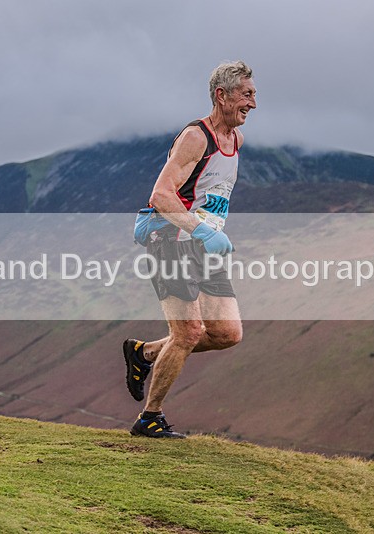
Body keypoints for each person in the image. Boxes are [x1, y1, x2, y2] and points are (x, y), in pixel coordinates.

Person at [124, 60, 257, 438]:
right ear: (222, 95)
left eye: (254, 95)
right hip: (170, 237)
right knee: (187, 332)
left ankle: (144, 354)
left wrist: (210, 232)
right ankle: (150, 418)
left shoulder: (236, 141)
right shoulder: (196, 137)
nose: (252, 104)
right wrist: (203, 230)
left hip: (199, 243)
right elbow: (161, 195)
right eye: (246, 95)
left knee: (226, 333)